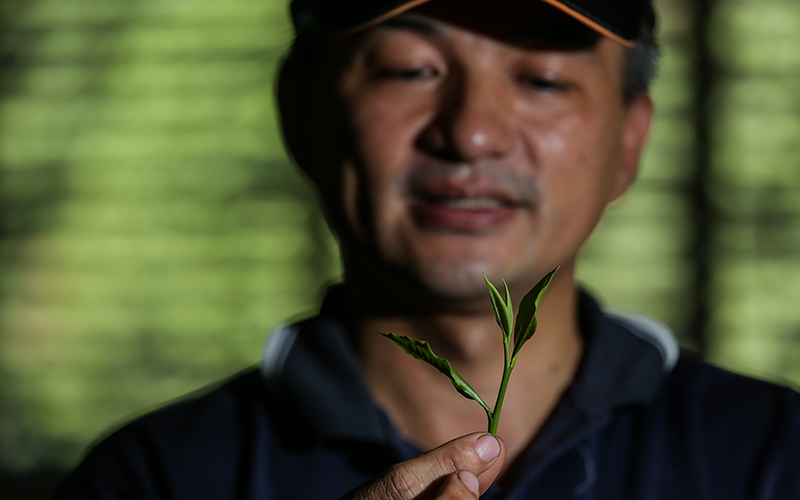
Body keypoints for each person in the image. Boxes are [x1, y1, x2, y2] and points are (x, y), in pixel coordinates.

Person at [57, 0, 800, 498]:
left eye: (541, 79)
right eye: (411, 70)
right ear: (300, 110)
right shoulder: (157, 480)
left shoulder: (774, 460)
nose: (472, 133)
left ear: (631, 142)